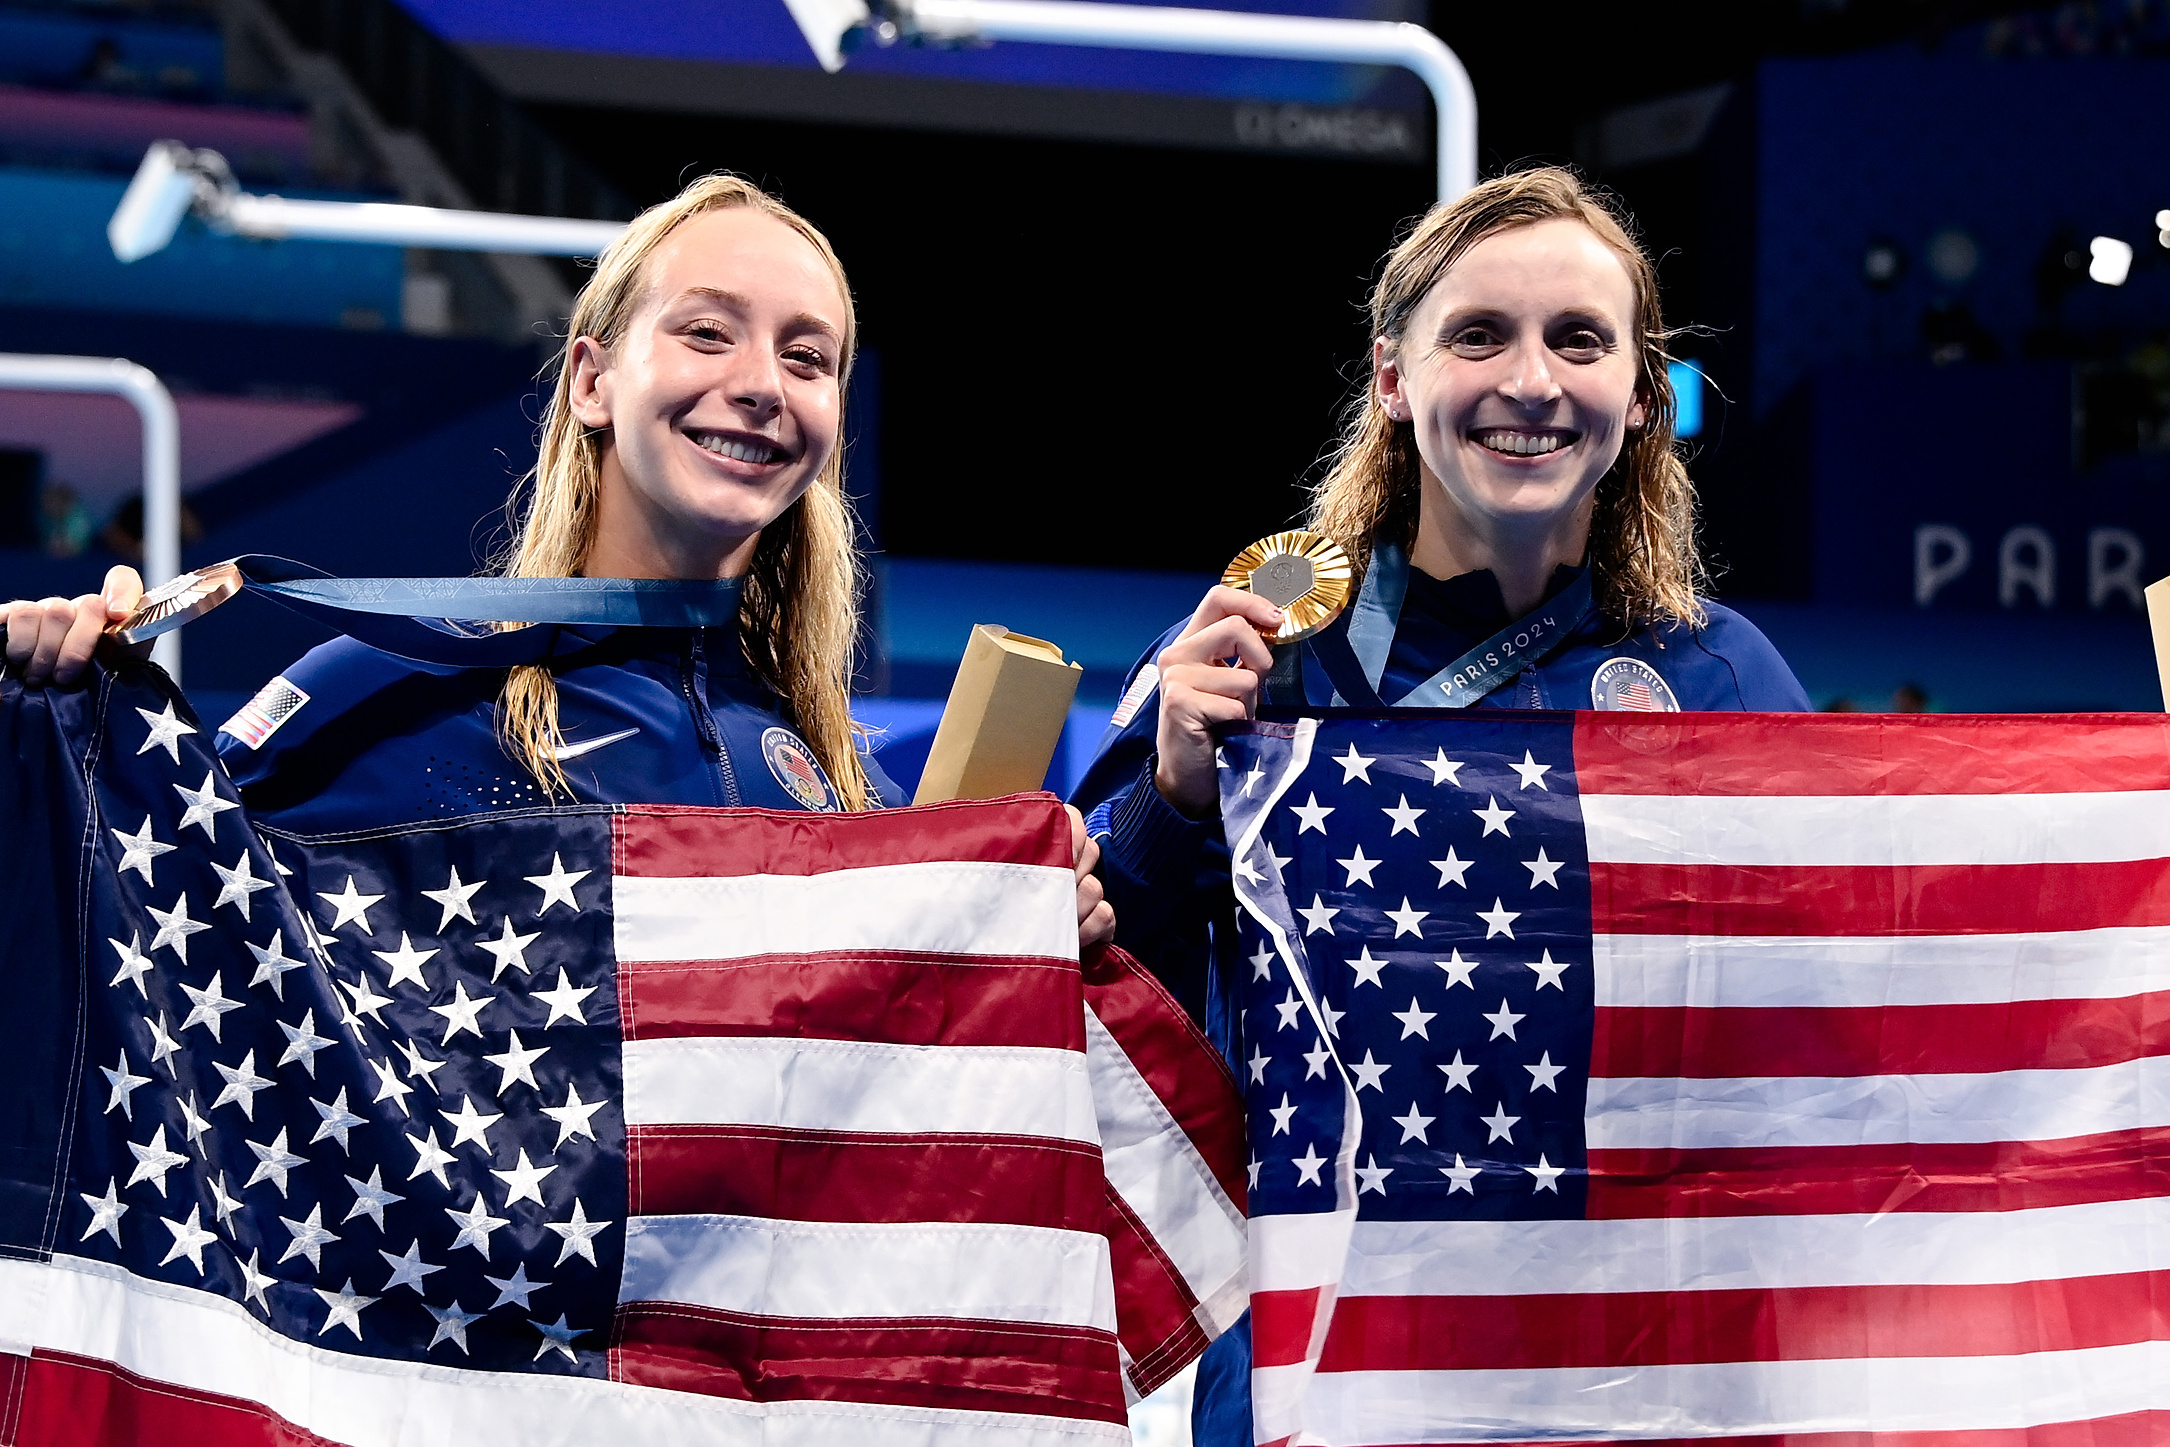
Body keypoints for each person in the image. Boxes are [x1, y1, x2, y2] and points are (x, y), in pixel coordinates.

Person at [1069, 165, 1811, 1447]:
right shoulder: (1254, 657)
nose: (1530, 381)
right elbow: (1087, 988)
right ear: (1392, 379)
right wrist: (1174, 797)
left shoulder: (1719, 675)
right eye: (1478, 334)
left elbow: (1842, 987)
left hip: (1629, 1357)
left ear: (1640, 398)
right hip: (1332, 1356)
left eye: (1578, 341)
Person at [4, 173, 1113, 946]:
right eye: (706, 331)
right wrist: (41, 718)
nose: (764, 382)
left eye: (807, 356)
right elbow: (134, 918)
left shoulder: (843, 787)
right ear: (592, 381)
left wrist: (1059, 912)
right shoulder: (390, 692)